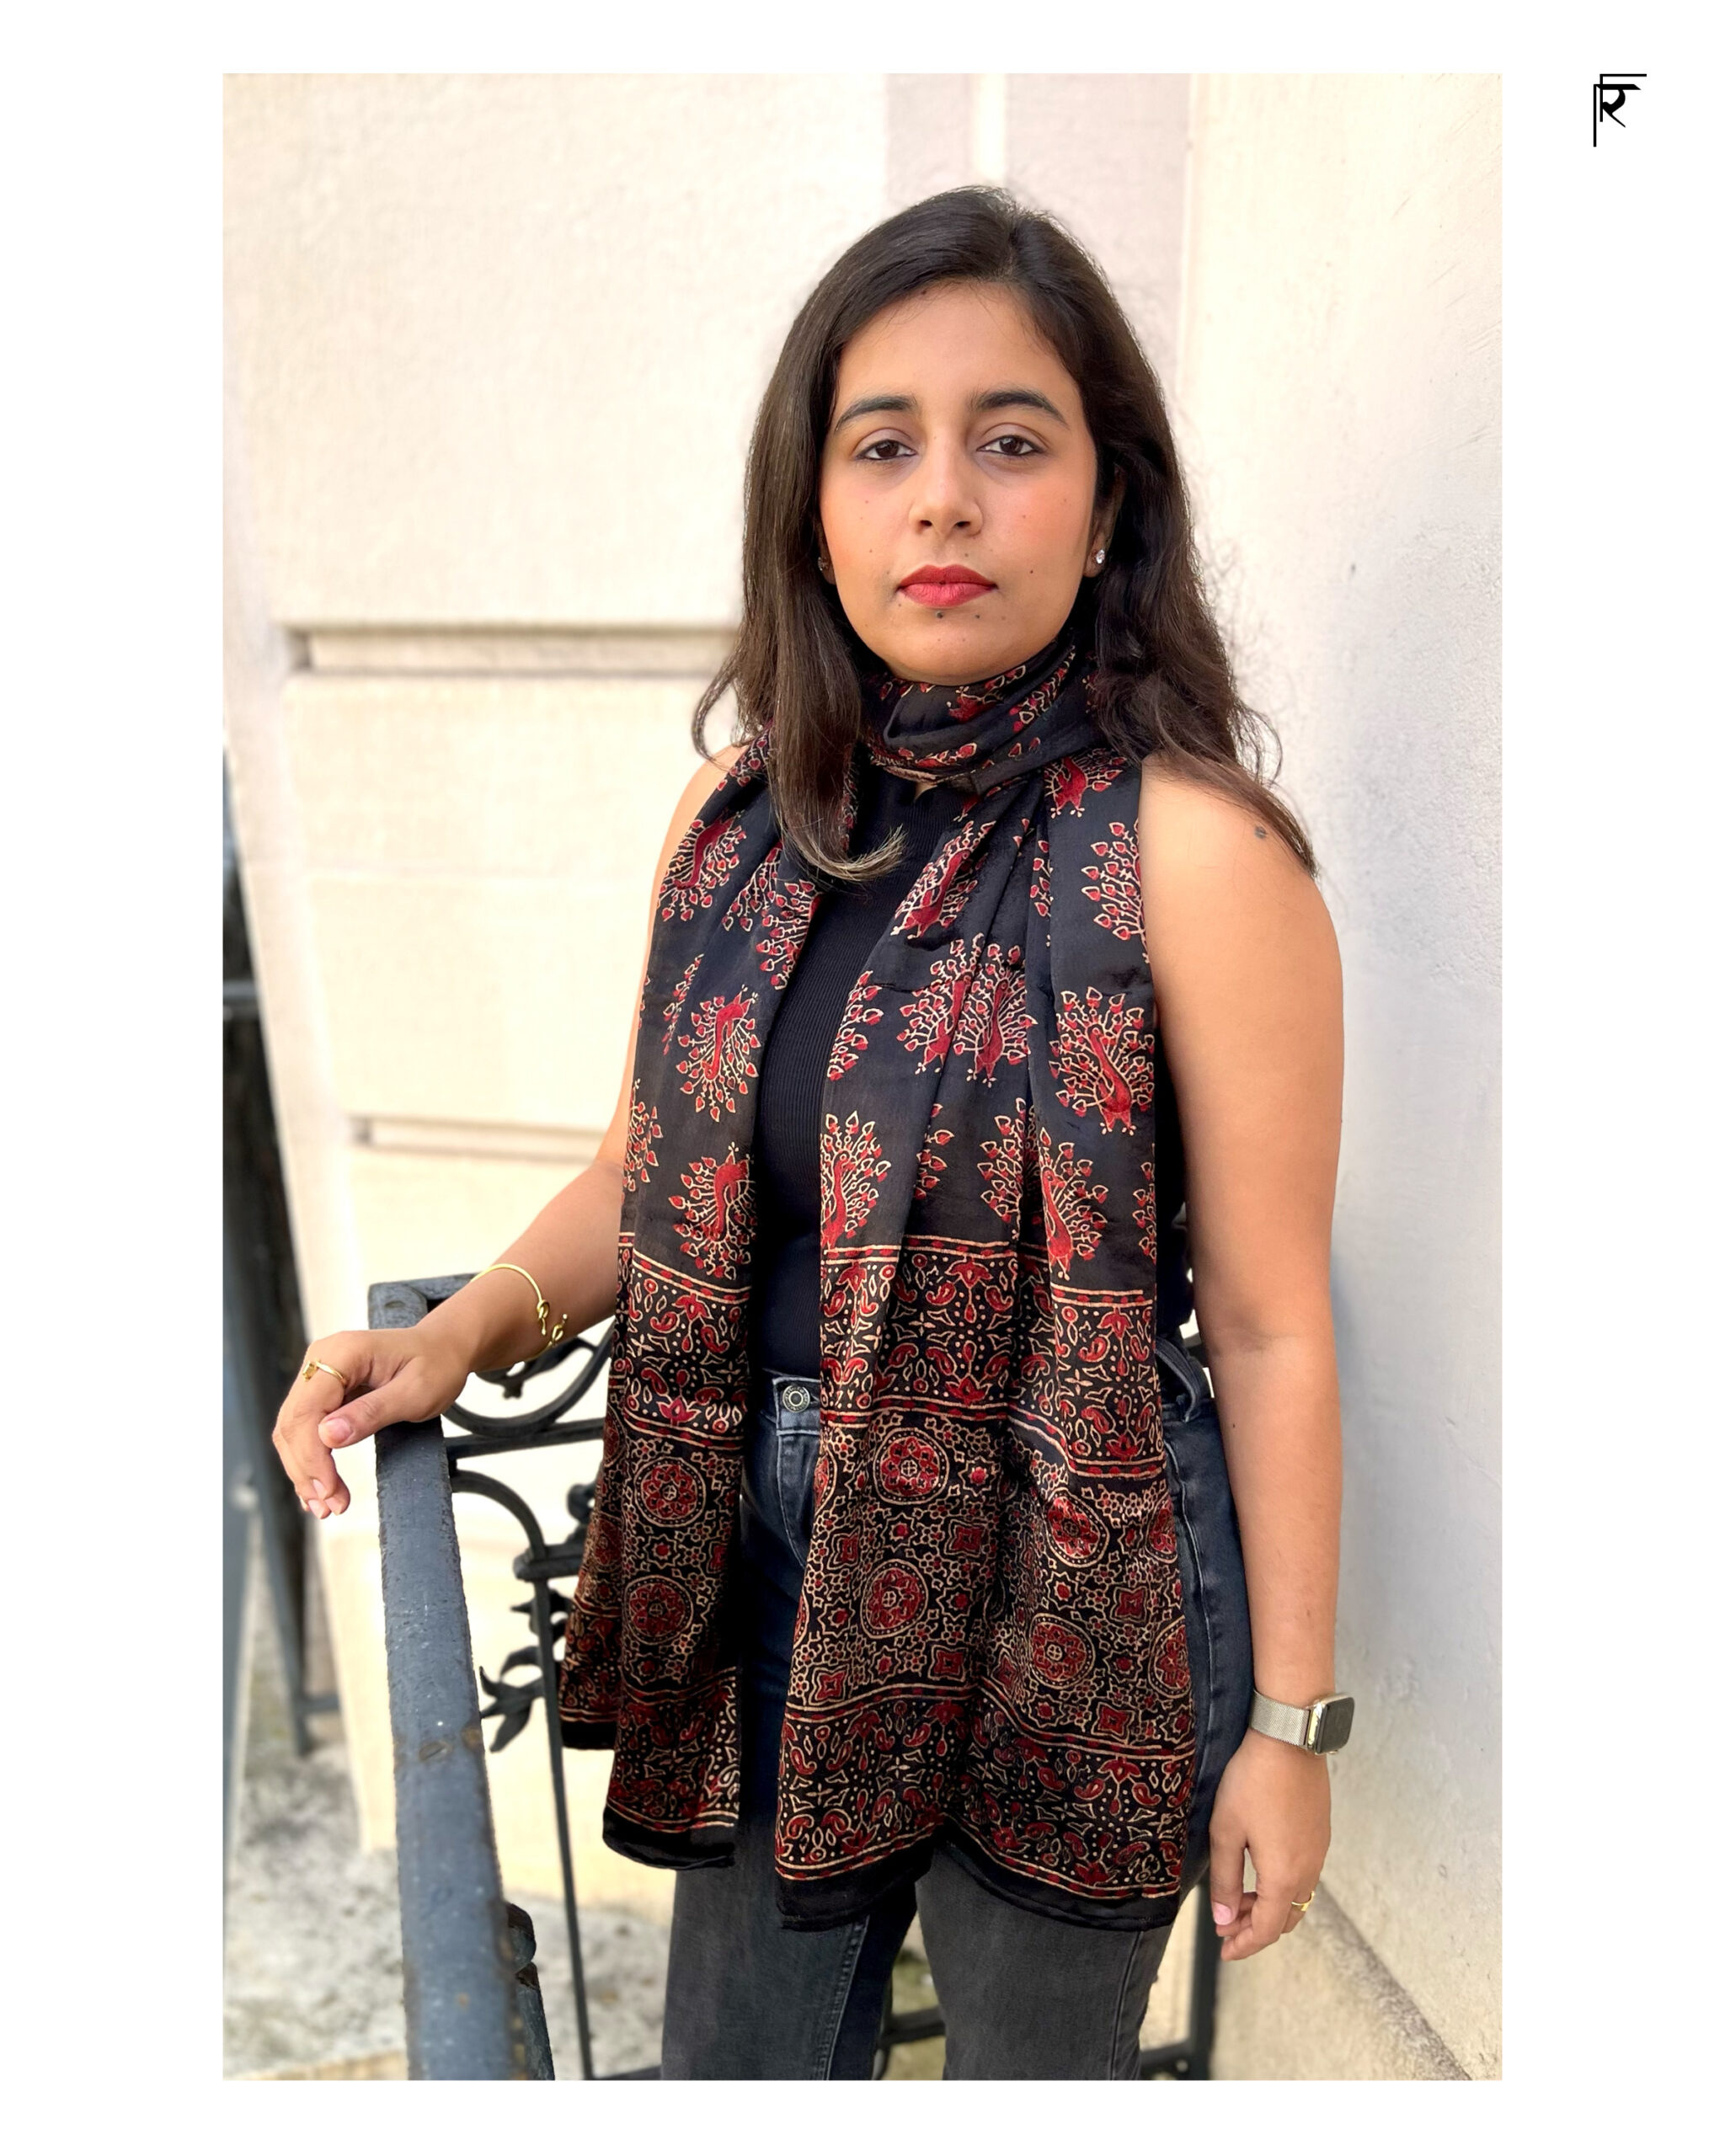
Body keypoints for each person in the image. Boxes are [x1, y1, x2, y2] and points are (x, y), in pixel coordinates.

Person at [271, 188, 1350, 2081]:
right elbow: (642, 1169)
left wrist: (1287, 1722)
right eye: (884, 445)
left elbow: (1267, 1324)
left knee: (1033, 2081)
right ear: (819, 508)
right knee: (739, 2072)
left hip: (1074, 1581)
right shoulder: (739, 812)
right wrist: (458, 1332)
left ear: (1105, 512)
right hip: (764, 1548)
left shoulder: (1193, 852)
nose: (944, 497)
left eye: (1011, 442)